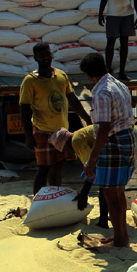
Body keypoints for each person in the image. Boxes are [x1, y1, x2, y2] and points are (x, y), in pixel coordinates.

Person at [77, 52, 136, 246]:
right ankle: (121, 235)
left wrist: (92, 159)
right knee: (117, 191)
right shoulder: (118, 84)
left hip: (113, 142)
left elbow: (103, 127)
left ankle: (120, 238)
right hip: (127, 137)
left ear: (90, 75)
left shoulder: (101, 92)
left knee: (111, 193)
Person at [20, 43, 92, 194]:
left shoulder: (61, 76)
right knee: (44, 168)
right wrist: (28, 135)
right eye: (41, 55)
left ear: (51, 55)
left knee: (58, 165)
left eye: (47, 54)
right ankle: (37, 201)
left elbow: (72, 100)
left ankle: (55, 195)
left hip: (61, 130)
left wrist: (87, 118)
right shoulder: (30, 81)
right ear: (35, 58)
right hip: (42, 130)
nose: (45, 58)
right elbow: (25, 109)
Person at [49, 126, 110, 228]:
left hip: (113, 144)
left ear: (66, 144)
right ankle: (112, 216)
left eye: (65, 150)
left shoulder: (76, 141)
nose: (68, 153)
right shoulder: (79, 135)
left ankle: (103, 221)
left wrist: (84, 194)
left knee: (104, 186)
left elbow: (92, 169)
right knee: (112, 186)